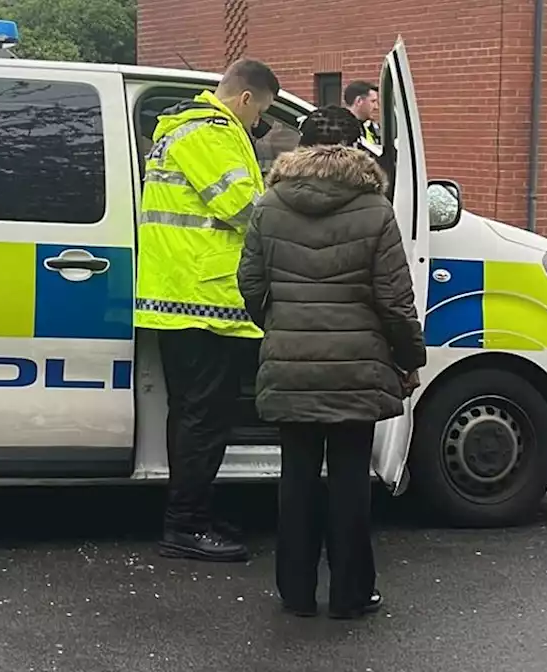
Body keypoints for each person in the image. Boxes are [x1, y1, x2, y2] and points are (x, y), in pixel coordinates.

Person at [236, 105, 426, 617]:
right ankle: (351, 594)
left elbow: (250, 284)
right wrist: (409, 358)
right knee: (349, 484)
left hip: (290, 360)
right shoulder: (374, 208)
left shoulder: (270, 203)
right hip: (357, 368)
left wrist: (279, 328)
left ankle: (295, 594)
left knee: (295, 480)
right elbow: (394, 299)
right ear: (356, 148)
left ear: (300, 146)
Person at [135, 58, 281, 563]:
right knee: (202, 418)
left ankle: (194, 513)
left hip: (191, 297)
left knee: (199, 415)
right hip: (203, 299)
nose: (258, 124)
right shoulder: (209, 134)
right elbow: (247, 209)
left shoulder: (189, 131)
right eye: (260, 112)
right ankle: (185, 525)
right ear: (245, 99)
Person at [343, 80, 381, 146]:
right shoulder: (342, 131)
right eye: (373, 101)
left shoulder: (369, 127)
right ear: (359, 101)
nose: (376, 107)